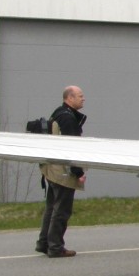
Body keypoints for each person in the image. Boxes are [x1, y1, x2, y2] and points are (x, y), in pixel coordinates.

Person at [36, 85, 87, 258]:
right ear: (69, 98)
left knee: (51, 207)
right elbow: (70, 148)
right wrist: (78, 172)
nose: (83, 98)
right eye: (80, 96)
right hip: (62, 171)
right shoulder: (68, 118)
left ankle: (44, 243)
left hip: (51, 169)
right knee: (62, 210)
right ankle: (56, 247)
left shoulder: (57, 113)